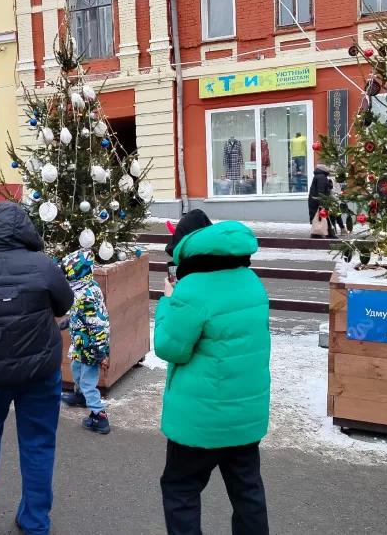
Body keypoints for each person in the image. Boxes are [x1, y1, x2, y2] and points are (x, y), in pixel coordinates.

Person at [0, 202, 74, 535]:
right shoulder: (44, 265)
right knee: (38, 443)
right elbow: (65, 303)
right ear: (26, 230)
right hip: (39, 369)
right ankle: (35, 522)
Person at [155, 211, 271, 535]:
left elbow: (170, 347)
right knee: (248, 493)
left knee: (181, 490)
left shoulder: (191, 290)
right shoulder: (251, 281)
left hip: (199, 420)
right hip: (245, 416)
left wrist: (167, 301)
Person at [59, 249, 111, 434]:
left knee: (88, 382)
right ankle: (80, 396)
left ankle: (99, 416)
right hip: (81, 344)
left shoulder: (86, 294)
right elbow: (80, 315)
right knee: (76, 370)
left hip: (91, 347)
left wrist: (100, 350)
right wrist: (67, 322)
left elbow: (98, 324)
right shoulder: (84, 289)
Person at [308, 163, 335, 239]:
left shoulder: (318, 176)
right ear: (323, 169)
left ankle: (316, 233)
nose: (328, 170)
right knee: (324, 216)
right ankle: (329, 233)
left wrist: (328, 185)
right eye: (327, 168)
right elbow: (321, 191)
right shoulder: (321, 177)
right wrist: (322, 203)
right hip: (319, 201)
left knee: (317, 218)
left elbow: (321, 189)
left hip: (315, 201)